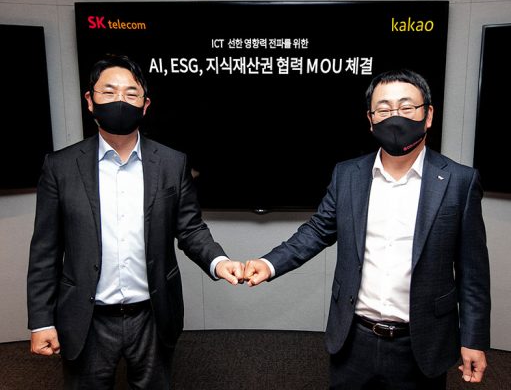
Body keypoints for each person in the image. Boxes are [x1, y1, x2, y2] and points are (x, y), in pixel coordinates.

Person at [243, 69, 491, 389]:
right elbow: (317, 231)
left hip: (421, 342)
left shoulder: (459, 181)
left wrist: (473, 338)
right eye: (384, 109)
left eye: (406, 107)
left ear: (428, 115)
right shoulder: (348, 175)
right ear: (371, 120)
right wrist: (269, 264)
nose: (395, 117)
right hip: (353, 338)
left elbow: (473, 271)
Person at [27, 54, 245, 389]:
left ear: (145, 105)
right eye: (108, 91)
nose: (120, 100)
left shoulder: (172, 163)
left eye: (131, 94)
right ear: (90, 101)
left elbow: (190, 229)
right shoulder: (60, 167)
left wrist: (219, 262)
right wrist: (41, 320)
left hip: (153, 315)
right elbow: (45, 250)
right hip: (87, 317)